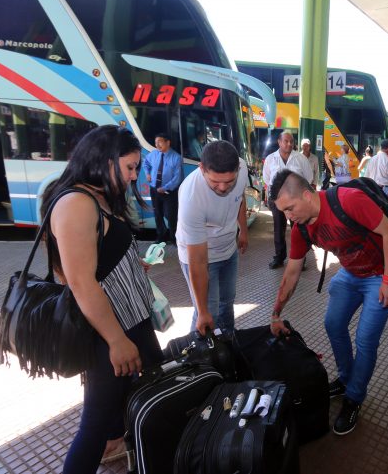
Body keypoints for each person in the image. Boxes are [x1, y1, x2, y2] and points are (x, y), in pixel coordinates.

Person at [40, 126, 163, 473]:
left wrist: (130, 264)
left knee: (150, 390)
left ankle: (130, 446)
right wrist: (116, 341)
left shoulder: (96, 196)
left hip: (129, 322)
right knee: (93, 426)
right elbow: (80, 282)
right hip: (109, 331)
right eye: (130, 167)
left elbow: (99, 259)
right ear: (104, 160)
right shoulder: (76, 203)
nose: (134, 176)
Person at [268, 169, 388, 436]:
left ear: (307, 195)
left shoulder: (349, 200)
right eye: (283, 212)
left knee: (365, 339)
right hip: (352, 273)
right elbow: (292, 273)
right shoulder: (301, 229)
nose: (288, 217)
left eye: (290, 208)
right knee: (333, 323)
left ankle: (354, 398)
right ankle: (345, 378)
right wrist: (275, 313)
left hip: (382, 273)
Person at [177, 141, 248, 335]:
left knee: (227, 303)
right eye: (215, 182)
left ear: (238, 169)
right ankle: (199, 357)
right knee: (208, 314)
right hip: (201, 254)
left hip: (228, 249)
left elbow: (240, 198)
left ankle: (227, 343)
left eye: (229, 181)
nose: (223, 187)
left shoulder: (241, 170)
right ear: (202, 169)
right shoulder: (191, 197)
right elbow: (198, 262)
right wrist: (202, 311)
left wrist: (243, 230)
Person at [262, 132, 314, 269]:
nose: (289, 144)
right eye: (286, 141)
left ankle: (300, 258)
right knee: (279, 229)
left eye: (291, 141)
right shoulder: (270, 159)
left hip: (297, 201)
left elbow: (308, 178)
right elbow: (267, 179)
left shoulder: (300, 158)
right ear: (279, 142)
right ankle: (279, 257)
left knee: (298, 229)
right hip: (278, 201)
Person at [143, 132, 183, 244]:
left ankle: (174, 238)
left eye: (159, 142)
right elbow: (145, 163)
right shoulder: (154, 154)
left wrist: (165, 187)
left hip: (169, 192)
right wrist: (147, 173)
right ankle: (161, 236)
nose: (157, 145)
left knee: (171, 215)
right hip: (154, 189)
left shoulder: (176, 158)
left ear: (167, 142)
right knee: (157, 214)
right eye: (156, 143)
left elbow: (177, 178)